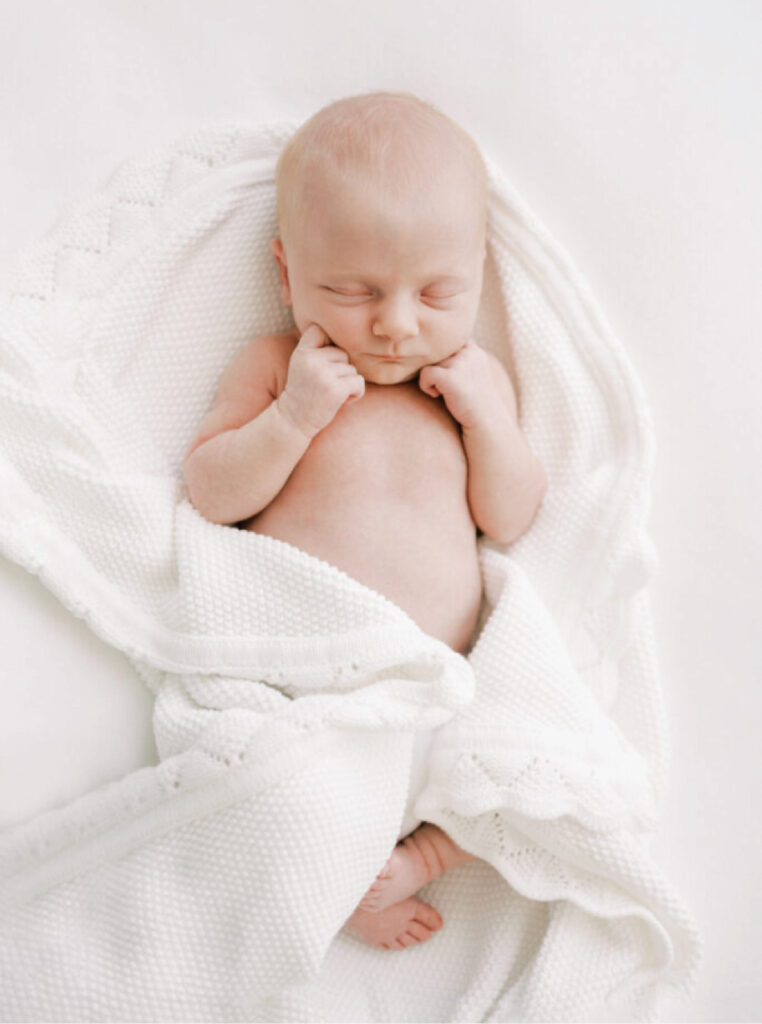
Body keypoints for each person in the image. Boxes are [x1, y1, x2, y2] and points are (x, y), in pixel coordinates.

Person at [182, 91, 547, 951]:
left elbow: (512, 515)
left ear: (481, 273)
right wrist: (292, 420)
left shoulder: (471, 381)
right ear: (286, 275)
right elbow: (209, 491)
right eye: (351, 291)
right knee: (275, 784)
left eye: (437, 292)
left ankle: (418, 856)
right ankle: (335, 867)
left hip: (437, 681)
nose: (393, 323)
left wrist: (490, 421)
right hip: (302, 669)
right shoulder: (277, 365)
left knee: (525, 761)